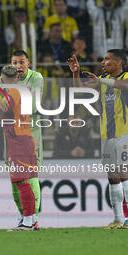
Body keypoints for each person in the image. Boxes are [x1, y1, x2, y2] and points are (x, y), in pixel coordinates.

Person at [67, 49, 128, 229]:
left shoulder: (125, 77)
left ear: (119, 63)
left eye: (107, 59)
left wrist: (100, 79)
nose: (103, 62)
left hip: (124, 133)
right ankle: (118, 219)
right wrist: (75, 73)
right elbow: (79, 89)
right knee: (113, 177)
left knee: (125, 175)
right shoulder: (103, 82)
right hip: (106, 136)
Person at [0, 64, 37, 230]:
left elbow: (1, 110)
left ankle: (28, 221)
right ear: (17, 78)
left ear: (2, 79)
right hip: (27, 137)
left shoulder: (10, 93)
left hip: (17, 141)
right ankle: (31, 219)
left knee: (22, 182)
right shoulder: (24, 91)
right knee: (25, 180)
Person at [10, 50, 43, 229]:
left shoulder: (36, 78)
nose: (18, 66)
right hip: (10, 138)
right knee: (15, 180)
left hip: (31, 135)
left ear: (28, 63)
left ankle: (34, 217)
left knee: (30, 177)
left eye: (21, 62)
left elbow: (34, 106)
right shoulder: (6, 80)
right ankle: (24, 217)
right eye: (14, 63)